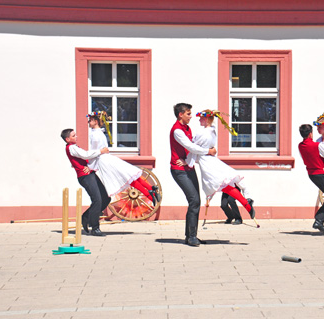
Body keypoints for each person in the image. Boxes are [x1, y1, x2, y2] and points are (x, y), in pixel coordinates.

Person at [177, 110, 255, 222]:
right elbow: (200, 150)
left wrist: (187, 161)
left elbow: (194, 148)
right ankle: (246, 203)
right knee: (225, 183)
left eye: (201, 118)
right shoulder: (212, 131)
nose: (199, 120)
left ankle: (246, 203)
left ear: (206, 119)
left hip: (207, 163)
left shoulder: (203, 133)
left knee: (219, 183)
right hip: (210, 160)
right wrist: (204, 153)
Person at [86, 112, 160, 206]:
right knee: (129, 176)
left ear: (95, 121)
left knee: (126, 178)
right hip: (108, 159)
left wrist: (90, 166)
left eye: (90, 120)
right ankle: (150, 190)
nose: (88, 122)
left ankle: (150, 192)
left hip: (104, 162)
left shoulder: (95, 135)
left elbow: (94, 152)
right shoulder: (100, 133)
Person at [170, 103, 217, 247]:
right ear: (181, 114)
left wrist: (189, 160)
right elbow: (190, 146)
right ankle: (191, 236)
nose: (191, 116)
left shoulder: (187, 128)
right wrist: (208, 151)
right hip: (179, 170)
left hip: (188, 168)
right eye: (189, 114)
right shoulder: (177, 130)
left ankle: (191, 236)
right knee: (194, 200)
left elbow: (192, 147)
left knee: (195, 201)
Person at [60, 128, 111, 236]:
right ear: (67, 139)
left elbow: (86, 158)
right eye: (73, 136)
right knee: (97, 200)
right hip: (85, 177)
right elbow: (86, 155)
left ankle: (86, 217)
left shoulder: (74, 147)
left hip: (90, 174)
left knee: (106, 198)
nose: (76, 137)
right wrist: (100, 151)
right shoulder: (71, 148)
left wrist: (90, 167)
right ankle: (95, 227)